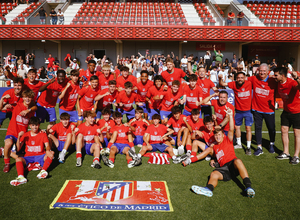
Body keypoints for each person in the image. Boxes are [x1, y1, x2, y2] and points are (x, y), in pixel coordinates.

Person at [190, 108, 255, 198]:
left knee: (238, 161)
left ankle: (248, 187)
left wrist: (231, 116)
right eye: (216, 135)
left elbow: (231, 129)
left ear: (223, 135)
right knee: (213, 174)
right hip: (224, 169)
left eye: (219, 134)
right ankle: (208, 189)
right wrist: (213, 159)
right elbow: (214, 154)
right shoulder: (214, 146)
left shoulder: (228, 140)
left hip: (233, 164)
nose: (217, 137)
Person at [10, 117, 54, 186]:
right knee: (18, 159)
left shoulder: (43, 134)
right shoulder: (25, 135)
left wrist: (48, 150)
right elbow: (18, 149)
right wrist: (18, 137)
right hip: (28, 157)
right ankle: (21, 177)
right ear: (30, 126)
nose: (35, 127)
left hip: (40, 156)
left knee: (52, 153)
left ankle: (43, 171)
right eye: (33, 125)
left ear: (39, 125)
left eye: (36, 125)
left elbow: (47, 145)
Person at [3, 90, 36, 173]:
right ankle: (7, 164)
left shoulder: (31, 111)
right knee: (8, 144)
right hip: (12, 132)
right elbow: (2, 108)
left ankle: (3, 151)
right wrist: (2, 100)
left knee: (20, 158)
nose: (27, 99)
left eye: (29, 97)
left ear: (32, 99)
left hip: (22, 135)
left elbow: (36, 107)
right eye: (26, 97)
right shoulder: (17, 106)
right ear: (23, 98)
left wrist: (27, 110)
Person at [219, 72, 253, 154]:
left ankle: (248, 147)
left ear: (244, 77)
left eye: (241, 77)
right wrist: (220, 78)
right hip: (238, 110)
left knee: (248, 128)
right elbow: (222, 83)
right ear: (236, 78)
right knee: (237, 127)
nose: (240, 79)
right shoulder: (233, 84)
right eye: (238, 78)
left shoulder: (249, 83)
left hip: (248, 110)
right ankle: (239, 143)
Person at [248, 63, 276, 156]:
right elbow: (242, 80)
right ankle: (259, 147)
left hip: (269, 110)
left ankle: (272, 143)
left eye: (264, 71)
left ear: (268, 72)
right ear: (258, 71)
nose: (262, 72)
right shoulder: (254, 79)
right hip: (257, 109)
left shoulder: (273, 80)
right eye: (260, 70)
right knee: (258, 128)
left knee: (271, 128)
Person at [273, 68, 300, 164]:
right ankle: (286, 152)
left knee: (297, 134)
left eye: (276, 75)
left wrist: (297, 78)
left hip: (297, 112)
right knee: (284, 131)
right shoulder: (278, 83)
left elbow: (299, 87)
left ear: (282, 75)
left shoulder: (292, 82)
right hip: (286, 111)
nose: (274, 77)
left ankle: (296, 156)